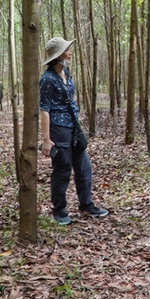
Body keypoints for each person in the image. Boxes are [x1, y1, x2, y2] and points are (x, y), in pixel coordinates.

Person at [40, 37, 108, 225]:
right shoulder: (47, 79)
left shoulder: (66, 73)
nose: (69, 52)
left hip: (73, 127)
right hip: (59, 129)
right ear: (58, 55)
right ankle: (59, 211)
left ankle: (86, 204)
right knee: (62, 169)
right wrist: (46, 139)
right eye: (66, 50)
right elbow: (44, 109)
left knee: (84, 167)